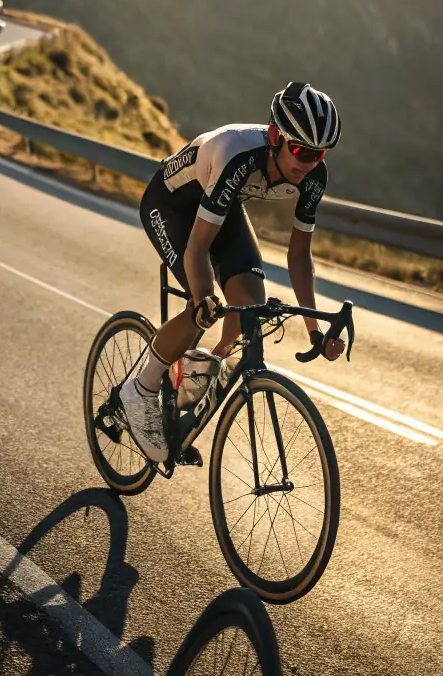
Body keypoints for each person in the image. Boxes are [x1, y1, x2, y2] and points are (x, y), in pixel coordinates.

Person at [120, 81, 344, 462]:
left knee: (250, 306)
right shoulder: (236, 155)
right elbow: (197, 248)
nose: (308, 163)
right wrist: (204, 297)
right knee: (203, 307)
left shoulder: (313, 176)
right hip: (171, 205)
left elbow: (299, 257)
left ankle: (202, 378)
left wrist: (315, 331)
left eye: (318, 154)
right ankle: (140, 390)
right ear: (275, 136)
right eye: (301, 151)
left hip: (219, 208)